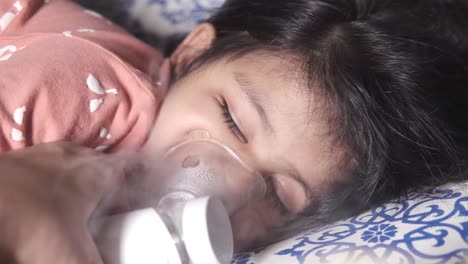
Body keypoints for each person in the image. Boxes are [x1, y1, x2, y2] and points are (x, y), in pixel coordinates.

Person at [1, 0, 468, 257]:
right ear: (189, 56)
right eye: (230, 119)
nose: (229, 182)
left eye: (280, 194)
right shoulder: (87, 96)